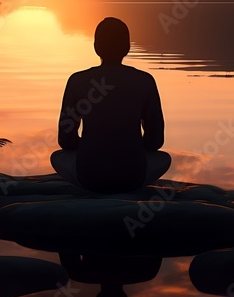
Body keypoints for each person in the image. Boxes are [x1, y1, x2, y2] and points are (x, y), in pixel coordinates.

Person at [51, 17, 172, 193]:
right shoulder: (145, 81)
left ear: (96, 47)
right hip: (132, 178)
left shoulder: (77, 81)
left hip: (89, 178)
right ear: (127, 47)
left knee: (57, 157)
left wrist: (91, 146)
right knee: (163, 158)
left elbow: (66, 140)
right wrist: (131, 148)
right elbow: (155, 141)